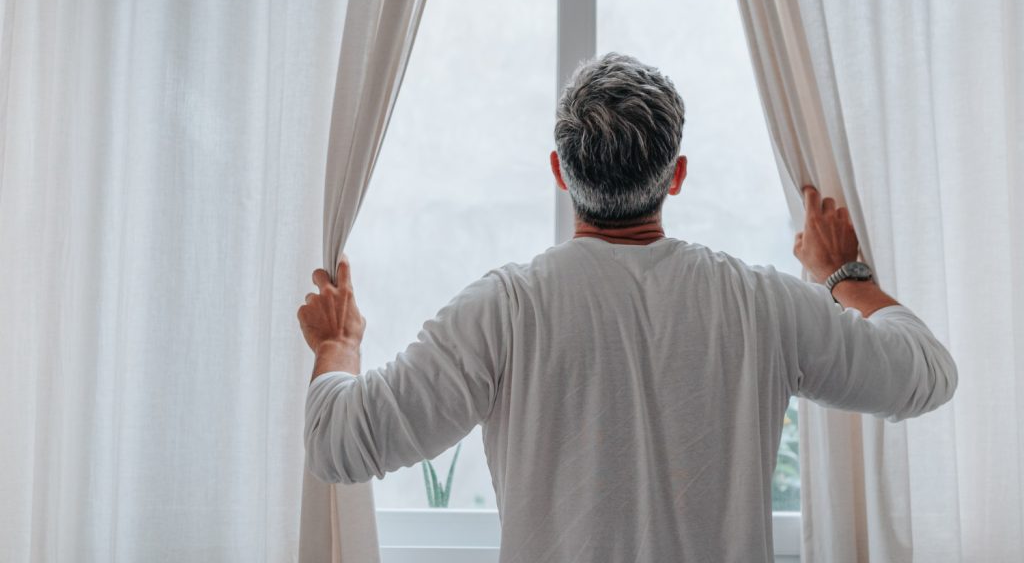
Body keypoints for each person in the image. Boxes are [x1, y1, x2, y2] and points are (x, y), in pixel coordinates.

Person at [297, 53, 957, 562]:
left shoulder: (504, 311)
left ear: (560, 172)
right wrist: (844, 275)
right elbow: (926, 374)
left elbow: (338, 444)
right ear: (677, 175)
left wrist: (338, 345)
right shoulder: (762, 304)